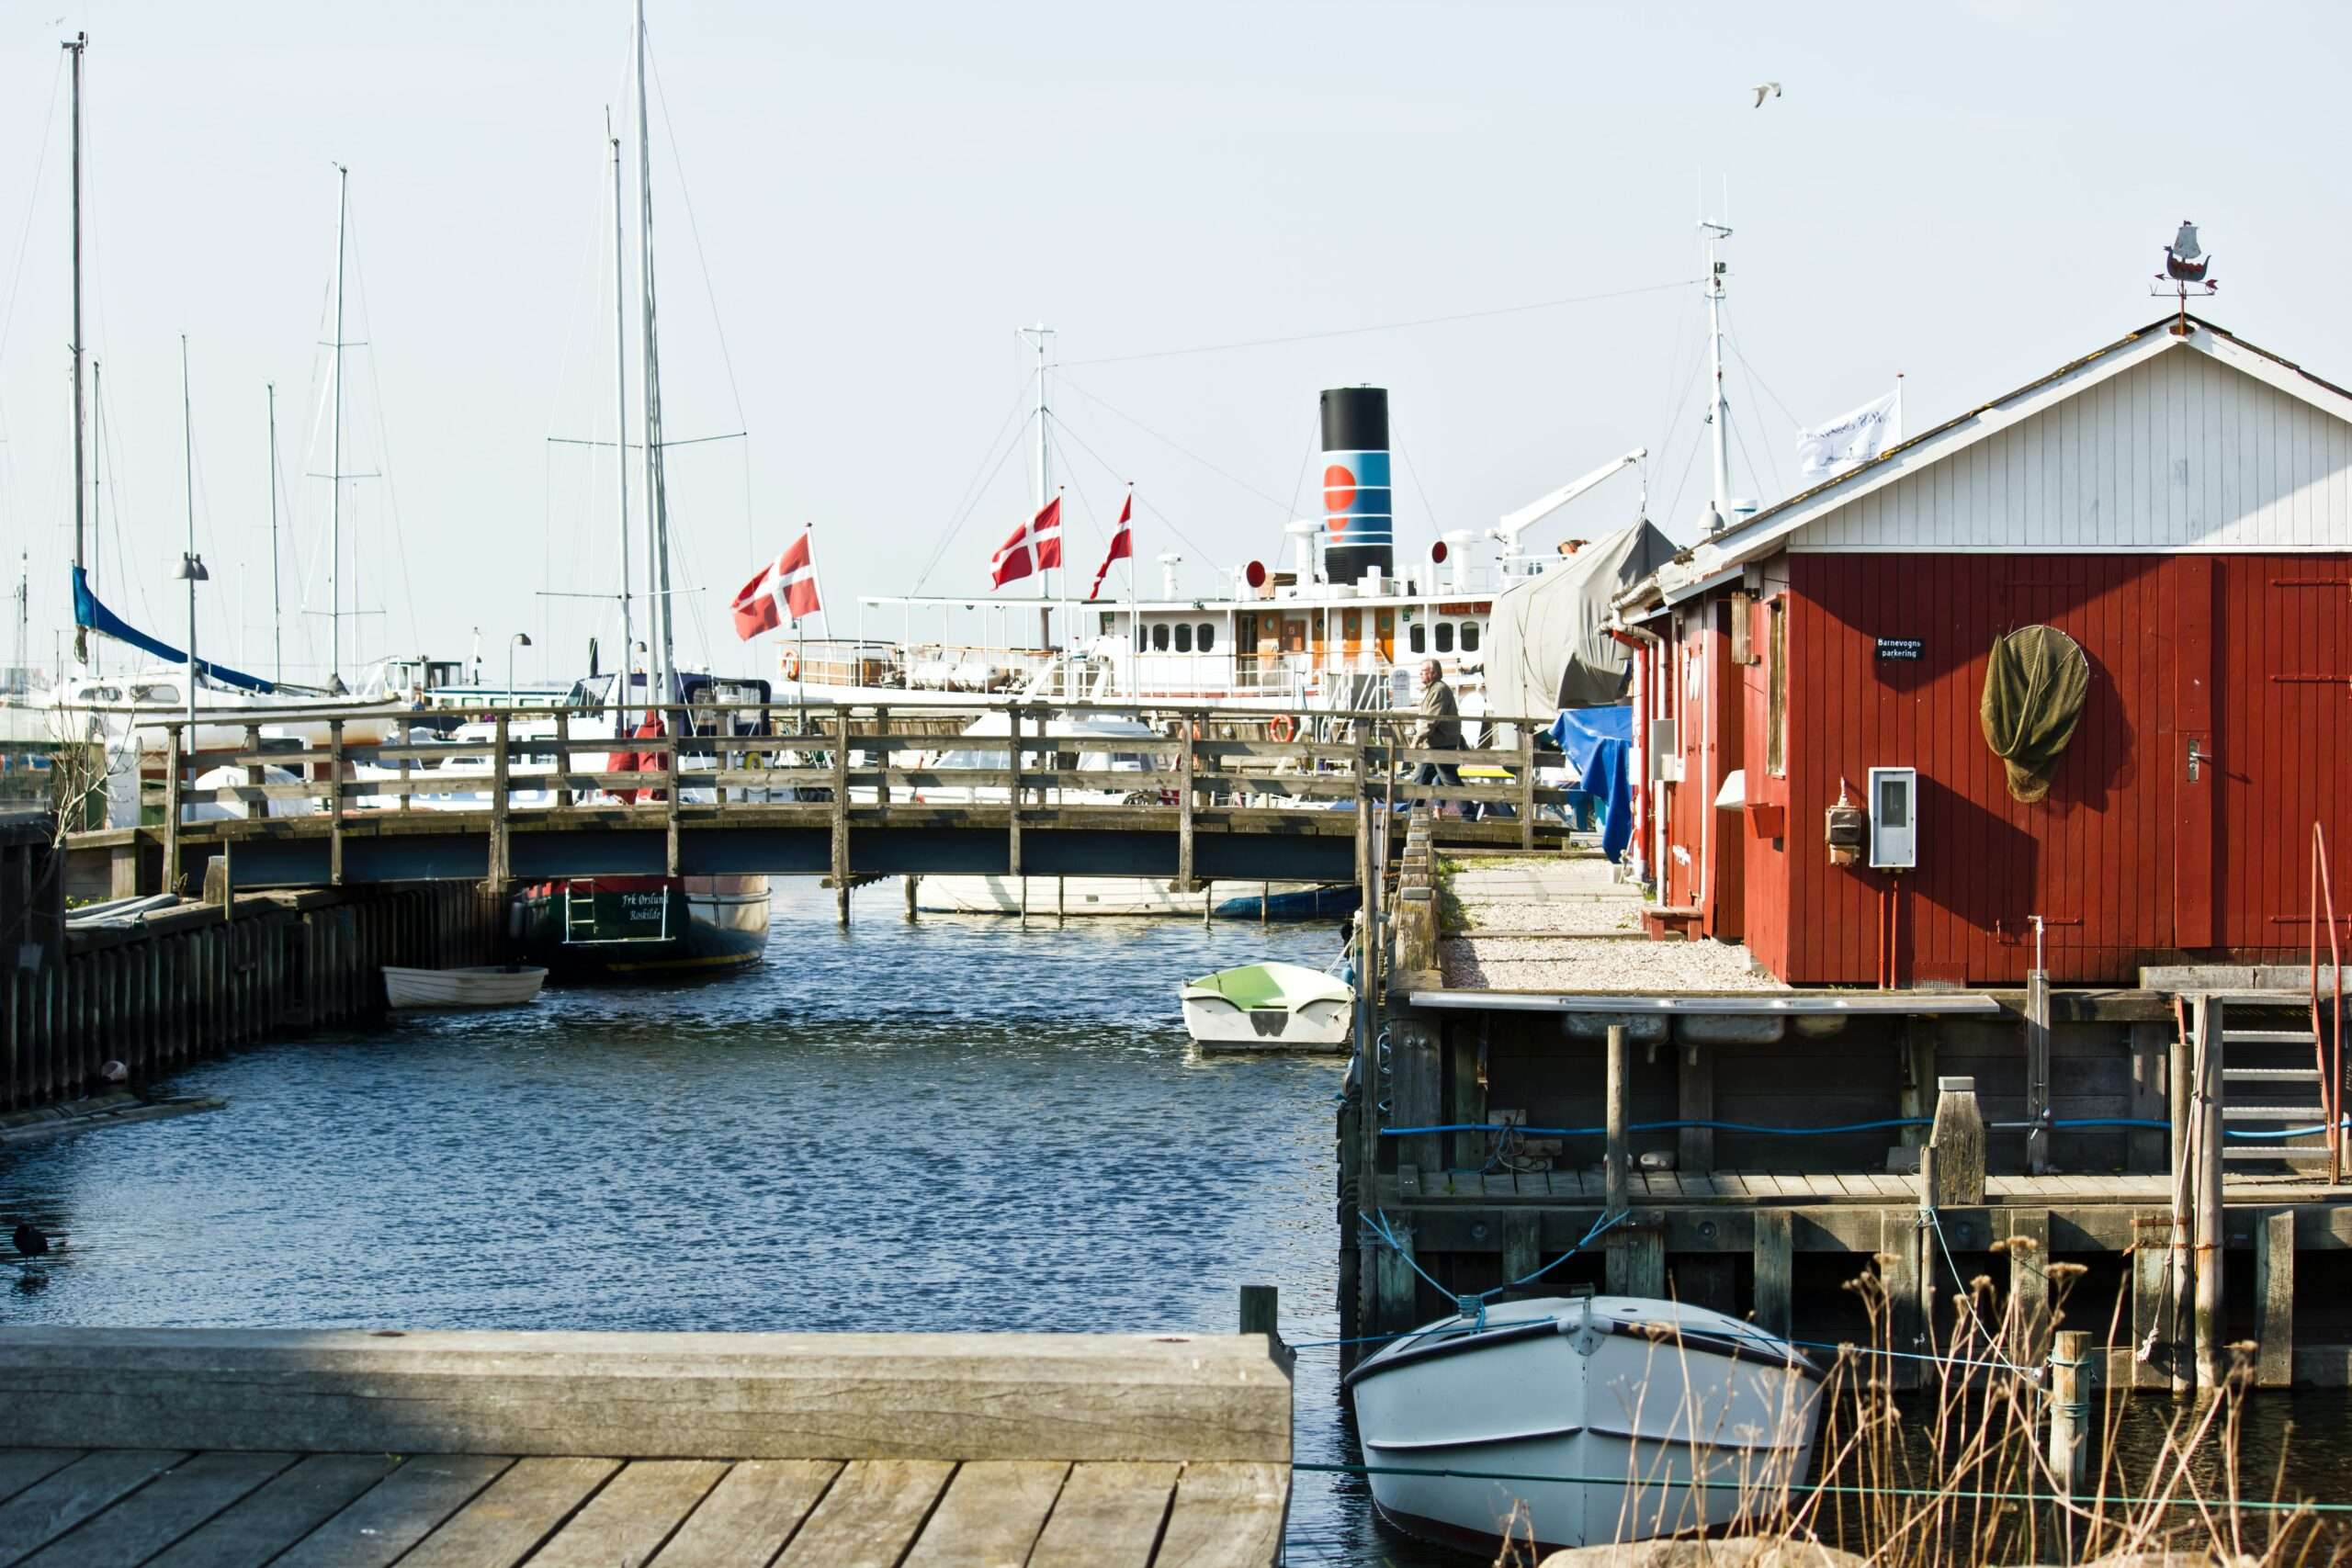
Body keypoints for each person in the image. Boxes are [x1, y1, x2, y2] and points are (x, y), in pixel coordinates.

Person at [1410, 659, 1464, 817]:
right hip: (1438, 743)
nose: (1420, 674)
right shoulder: (1434, 689)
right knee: (1422, 780)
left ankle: (1468, 815)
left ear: (1433, 673)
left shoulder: (1438, 690)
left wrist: (1416, 740)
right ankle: (1412, 814)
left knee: (1446, 781)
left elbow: (1430, 720)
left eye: (1423, 671)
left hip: (1439, 744)